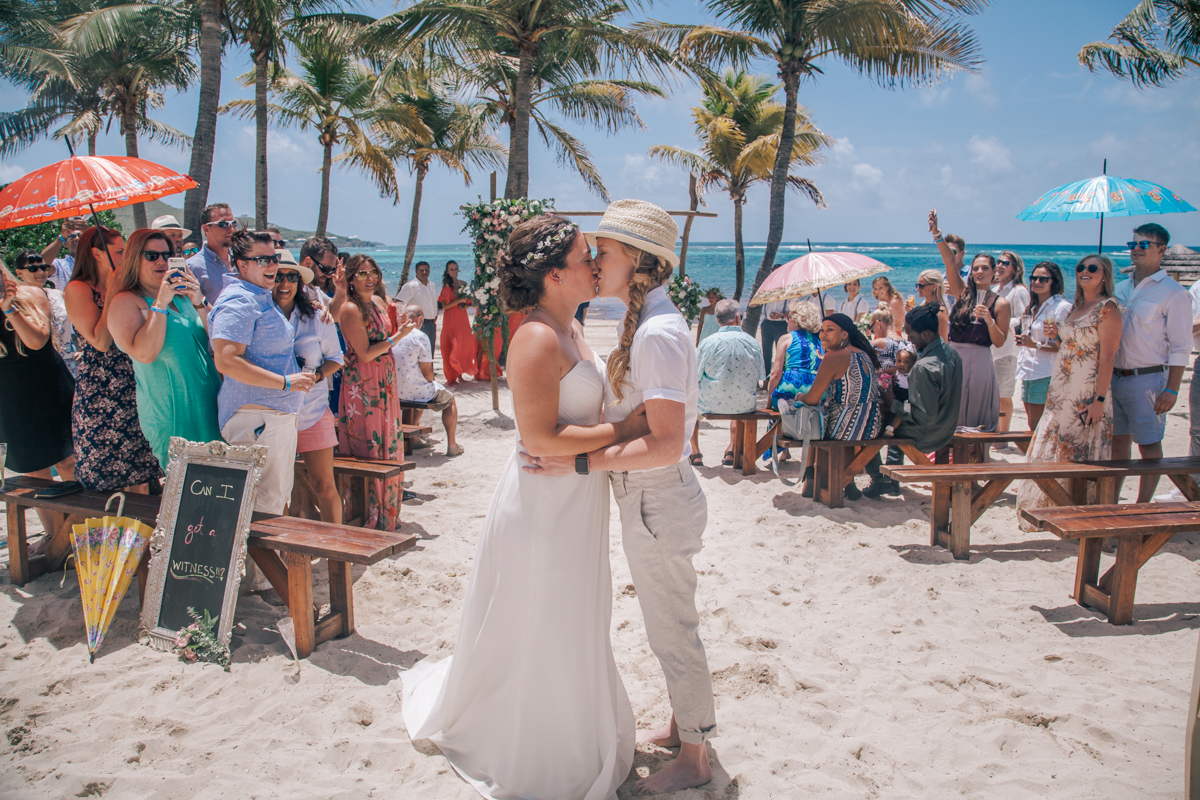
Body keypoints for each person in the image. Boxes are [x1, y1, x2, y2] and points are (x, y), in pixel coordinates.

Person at [401, 214, 647, 800]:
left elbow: (579, 421)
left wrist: (613, 428)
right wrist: (627, 429)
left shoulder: (576, 326)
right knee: (545, 614)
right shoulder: (535, 337)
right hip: (544, 502)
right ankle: (534, 740)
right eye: (588, 256)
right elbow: (539, 440)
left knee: (573, 611)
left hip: (575, 494)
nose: (595, 265)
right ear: (555, 274)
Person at [209, 230, 315, 520]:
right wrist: (285, 383)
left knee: (268, 505)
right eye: (264, 259)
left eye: (275, 258)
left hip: (267, 417)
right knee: (262, 510)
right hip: (258, 419)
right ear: (242, 264)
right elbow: (226, 360)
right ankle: (264, 567)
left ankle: (265, 566)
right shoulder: (241, 300)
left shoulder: (257, 296)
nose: (272, 265)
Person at [1015, 254, 1121, 524]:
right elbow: (1067, 346)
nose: (1085, 271)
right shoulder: (1076, 306)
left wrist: (1098, 399)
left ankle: (1078, 512)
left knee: (1078, 448)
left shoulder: (1108, 308)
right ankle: (1051, 506)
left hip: (1086, 389)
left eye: (1092, 268)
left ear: (1105, 274)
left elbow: (1108, 357)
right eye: (1080, 267)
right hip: (1061, 386)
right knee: (1054, 442)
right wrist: (1054, 337)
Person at [108, 229, 223, 471]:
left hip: (212, 406)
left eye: (167, 254)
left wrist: (198, 300)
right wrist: (159, 303)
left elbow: (221, 340)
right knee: (185, 494)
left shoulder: (183, 297)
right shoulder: (127, 302)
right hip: (173, 414)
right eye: (151, 256)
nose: (161, 261)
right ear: (133, 259)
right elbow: (144, 353)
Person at [63, 226, 162, 493]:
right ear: (97, 253)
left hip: (135, 382)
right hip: (101, 390)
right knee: (107, 476)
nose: (124, 257)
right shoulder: (77, 288)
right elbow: (100, 341)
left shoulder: (130, 286)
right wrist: (111, 292)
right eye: (119, 251)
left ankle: (141, 535)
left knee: (142, 471)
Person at [1111, 223, 1190, 503]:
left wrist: (1172, 389)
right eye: (1132, 244)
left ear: (1161, 250)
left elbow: (1181, 347)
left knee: (1149, 445)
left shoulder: (1174, 293)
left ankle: (1142, 507)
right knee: (1117, 443)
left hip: (1148, 379)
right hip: (1114, 377)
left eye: (1143, 245)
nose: (1135, 250)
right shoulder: (1119, 288)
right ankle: (1112, 502)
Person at [1, 259, 77, 535]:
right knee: (35, 472)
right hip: (11, 397)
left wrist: (8, 307)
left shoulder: (31, 295)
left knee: (69, 461)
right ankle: (56, 538)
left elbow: (36, 341)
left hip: (49, 387)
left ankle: (84, 533)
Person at [338, 254, 413, 531]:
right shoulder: (350, 309)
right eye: (362, 273)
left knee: (388, 437)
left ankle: (388, 509)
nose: (370, 278)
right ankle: (369, 511)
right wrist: (398, 337)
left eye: (374, 273)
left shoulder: (379, 302)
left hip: (386, 378)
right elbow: (366, 353)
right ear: (350, 279)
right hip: (364, 382)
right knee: (368, 441)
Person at [272, 250, 344, 524]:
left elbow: (336, 359)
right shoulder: (258, 317)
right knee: (278, 492)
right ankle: (282, 555)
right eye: (278, 276)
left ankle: (336, 555)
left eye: (291, 276)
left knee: (324, 486)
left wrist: (316, 376)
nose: (284, 283)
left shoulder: (316, 318)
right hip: (273, 414)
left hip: (312, 411)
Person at [869, 304, 963, 497]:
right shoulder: (952, 354)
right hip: (948, 424)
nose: (908, 338)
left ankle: (882, 480)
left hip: (929, 433)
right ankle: (891, 479)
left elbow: (923, 415)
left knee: (868, 427)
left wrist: (891, 400)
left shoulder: (924, 367)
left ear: (926, 334)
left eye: (910, 333)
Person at [931, 210, 1011, 432]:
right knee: (951, 413)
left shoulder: (1001, 303)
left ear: (995, 272)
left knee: (976, 416)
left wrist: (989, 321)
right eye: (976, 268)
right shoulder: (962, 292)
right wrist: (937, 234)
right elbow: (949, 259)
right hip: (955, 357)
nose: (979, 271)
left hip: (980, 359)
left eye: (985, 268)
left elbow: (1000, 341)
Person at [791, 313, 884, 500]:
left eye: (830, 330)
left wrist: (798, 396)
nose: (823, 334)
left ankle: (810, 476)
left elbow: (811, 398)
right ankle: (848, 485)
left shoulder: (834, 358)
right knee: (825, 415)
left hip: (849, 424)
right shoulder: (862, 353)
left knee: (812, 418)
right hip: (872, 423)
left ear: (844, 334)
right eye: (822, 330)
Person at [692, 298, 765, 468]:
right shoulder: (752, 343)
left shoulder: (707, 343)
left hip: (711, 403)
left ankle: (695, 453)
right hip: (745, 404)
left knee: (690, 405)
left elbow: (696, 377)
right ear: (738, 318)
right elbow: (760, 377)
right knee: (737, 390)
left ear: (717, 320)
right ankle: (731, 449)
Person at [392, 304, 463, 457]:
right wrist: (431, 377)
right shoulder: (420, 336)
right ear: (420, 319)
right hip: (416, 390)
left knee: (418, 394)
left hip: (397, 390)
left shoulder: (393, 336)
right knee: (449, 400)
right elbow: (427, 374)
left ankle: (415, 437)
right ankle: (452, 444)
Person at [1014, 261, 1072, 433]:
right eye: (1034, 278)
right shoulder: (1033, 306)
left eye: (1043, 279)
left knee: (1043, 427)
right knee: (1032, 425)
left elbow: (1065, 346)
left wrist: (1035, 344)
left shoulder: (1061, 308)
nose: (1037, 282)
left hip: (1046, 372)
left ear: (1054, 281)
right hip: (1028, 370)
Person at [13, 250, 78, 379]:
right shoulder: (16, 301)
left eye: (44, 267)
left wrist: (83, 349)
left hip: (68, 363)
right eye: (33, 268)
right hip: (36, 365)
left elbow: (79, 324)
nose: (41, 272)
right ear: (19, 273)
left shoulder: (59, 294)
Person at [991, 251, 1029, 434]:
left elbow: (1025, 318)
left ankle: (1003, 435)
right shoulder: (994, 290)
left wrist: (1003, 322)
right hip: (992, 349)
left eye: (1005, 263)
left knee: (1004, 396)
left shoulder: (1018, 291)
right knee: (993, 395)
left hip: (1007, 350)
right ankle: (996, 431)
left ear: (1015, 268)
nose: (1000, 266)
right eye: (998, 262)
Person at [767, 299, 823, 411]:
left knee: (776, 408)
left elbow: (776, 373)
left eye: (789, 317)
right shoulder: (819, 342)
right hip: (816, 390)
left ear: (797, 321)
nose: (787, 321)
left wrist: (769, 397)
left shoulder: (786, 339)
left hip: (791, 385)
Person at [187, 202, 239, 305]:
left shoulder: (243, 260)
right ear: (206, 229)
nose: (231, 229)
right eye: (223, 224)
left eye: (233, 224)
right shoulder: (193, 267)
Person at [438, 260, 477, 384]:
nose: (454, 271)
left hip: (462, 317)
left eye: (455, 268)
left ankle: (460, 373)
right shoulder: (446, 286)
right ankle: (453, 374)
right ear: (447, 271)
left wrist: (464, 306)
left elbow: (468, 302)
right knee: (452, 344)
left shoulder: (463, 284)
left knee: (464, 343)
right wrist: (458, 301)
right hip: (451, 318)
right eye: (451, 269)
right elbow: (444, 306)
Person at [397, 260, 439, 347]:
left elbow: (433, 301)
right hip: (418, 324)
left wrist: (435, 313)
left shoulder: (432, 285)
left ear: (429, 271)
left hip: (431, 324)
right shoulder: (411, 286)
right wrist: (404, 319)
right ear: (416, 271)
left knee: (429, 354)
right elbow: (399, 303)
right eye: (421, 270)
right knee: (417, 352)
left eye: (426, 270)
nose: (424, 272)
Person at [45, 217, 88, 290]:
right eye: (71, 236)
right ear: (65, 243)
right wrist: (61, 238)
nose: (76, 238)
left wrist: (88, 235)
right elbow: (40, 266)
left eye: (80, 236)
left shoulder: (97, 261)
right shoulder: (60, 266)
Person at [915, 268, 951, 340]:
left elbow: (943, 341)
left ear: (934, 287)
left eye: (921, 286)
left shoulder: (940, 311)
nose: (918, 289)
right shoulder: (923, 304)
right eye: (917, 285)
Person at [758, 295, 788, 378]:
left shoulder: (788, 295)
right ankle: (765, 380)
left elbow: (794, 312)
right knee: (766, 353)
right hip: (767, 323)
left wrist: (781, 315)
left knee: (781, 354)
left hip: (781, 324)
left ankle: (781, 378)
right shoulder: (768, 293)